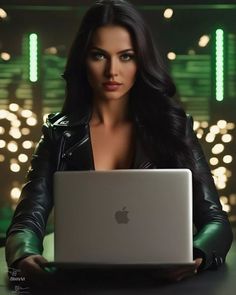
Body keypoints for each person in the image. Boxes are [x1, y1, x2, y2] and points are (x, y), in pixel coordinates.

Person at [5, 0, 233, 284]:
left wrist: (196, 254)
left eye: (126, 56)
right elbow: (27, 219)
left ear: (141, 61)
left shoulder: (174, 128)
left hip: (160, 284)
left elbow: (216, 221)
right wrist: (24, 256)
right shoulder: (58, 134)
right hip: (80, 283)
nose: (112, 71)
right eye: (99, 56)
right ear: (83, 60)